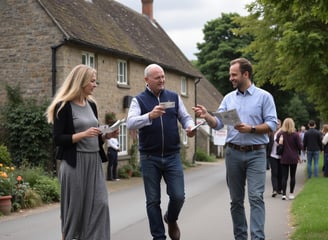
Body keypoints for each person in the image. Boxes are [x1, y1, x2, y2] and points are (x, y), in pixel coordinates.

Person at [193, 58, 277, 240]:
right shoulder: (228, 98)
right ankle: (240, 237)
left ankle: (257, 237)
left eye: (234, 74)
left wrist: (251, 129)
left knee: (255, 197)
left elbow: (272, 124)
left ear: (245, 74)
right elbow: (218, 124)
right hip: (233, 153)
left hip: (257, 153)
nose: (230, 78)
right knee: (236, 201)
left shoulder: (264, 97)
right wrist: (207, 115)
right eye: (230, 74)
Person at [46, 64, 117, 240]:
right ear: (81, 82)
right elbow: (58, 139)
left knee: (101, 205)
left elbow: (93, 137)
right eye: (92, 81)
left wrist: (106, 137)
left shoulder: (91, 105)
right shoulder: (63, 107)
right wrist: (83, 134)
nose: (95, 85)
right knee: (74, 211)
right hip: (74, 164)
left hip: (94, 163)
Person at [126, 63, 195, 240]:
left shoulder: (173, 97)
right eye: (158, 78)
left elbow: (185, 117)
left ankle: (171, 219)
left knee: (178, 196)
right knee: (153, 200)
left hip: (172, 156)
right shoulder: (138, 100)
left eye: (163, 77)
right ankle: (159, 237)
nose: (162, 80)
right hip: (149, 157)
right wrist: (150, 115)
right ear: (146, 80)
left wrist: (189, 126)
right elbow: (130, 122)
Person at [276, 118, 302, 200]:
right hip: (294, 157)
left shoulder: (280, 134)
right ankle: (291, 193)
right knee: (292, 176)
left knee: (284, 176)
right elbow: (300, 146)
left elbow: (277, 142)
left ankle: (283, 194)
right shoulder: (296, 135)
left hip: (284, 157)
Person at [268, 119, 283, 197]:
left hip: (281, 156)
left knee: (280, 172)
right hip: (272, 155)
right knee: (274, 172)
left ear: (280, 125)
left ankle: (280, 189)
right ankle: (274, 190)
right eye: (276, 124)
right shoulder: (270, 133)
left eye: (278, 124)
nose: (277, 125)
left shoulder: (283, 133)